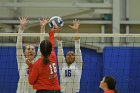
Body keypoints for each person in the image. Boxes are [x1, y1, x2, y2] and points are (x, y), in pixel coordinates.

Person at [16, 16, 49, 93]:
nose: (30, 51)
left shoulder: (37, 61)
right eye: (28, 49)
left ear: (35, 52)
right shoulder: (21, 61)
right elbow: (18, 46)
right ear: (24, 52)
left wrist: (42, 27)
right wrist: (21, 28)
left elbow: (42, 43)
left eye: (33, 49)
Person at [26, 27, 61, 93]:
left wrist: (30, 66)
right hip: (56, 90)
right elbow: (52, 45)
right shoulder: (53, 56)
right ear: (50, 50)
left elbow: (31, 81)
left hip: (43, 91)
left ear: (40, 51)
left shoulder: (37, 64)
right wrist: (51, 33)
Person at [57, 19, 83, 93]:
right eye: (68, 54)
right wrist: (58, 32)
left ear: (75, 58)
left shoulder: (78, 65)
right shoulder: (62, 64)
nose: (70, 56)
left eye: (72, 54)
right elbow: (59, 48)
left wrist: (76, 30)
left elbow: (77, 47)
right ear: (65, 57)